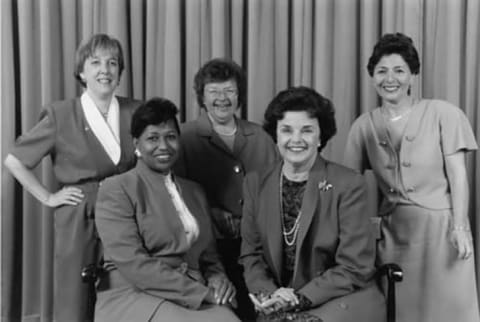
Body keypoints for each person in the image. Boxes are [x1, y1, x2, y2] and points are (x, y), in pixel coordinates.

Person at [3, 34, 141, 322]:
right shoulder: (61, 114)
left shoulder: (136, 112)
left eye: (112, 63)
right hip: (79, 213)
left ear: (120, 72)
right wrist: (49, 197)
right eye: (96, 63)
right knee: (73, 296)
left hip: (127, 212)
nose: (105, 70)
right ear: (81, 72)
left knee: (128, 290)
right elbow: (14, 160)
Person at [343, 32, 480, 322]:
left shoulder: (445, 113)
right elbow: (350, 188)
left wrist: (460, 226)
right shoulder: (363, 126)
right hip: (393, 237)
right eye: (381, 71)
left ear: (413, 75)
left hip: (444, 234)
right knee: (398, 312)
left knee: (449, 312)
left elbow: (458, 175)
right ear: (372, 77)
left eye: (399, 70)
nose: (389, 79)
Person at [240, 86, 385, 322]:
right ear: (275, 135)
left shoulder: (348, 184)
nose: (296, 139)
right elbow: (251, 255)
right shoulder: (255, 183)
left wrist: (299, 298)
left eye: (307, 130)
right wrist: (268, 293)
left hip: (339, 298)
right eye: (286, 130)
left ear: (320, 137)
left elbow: (354, 266)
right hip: (278, 299)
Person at [94, 97, 240, 322]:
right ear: (136, 144)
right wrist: (203, 294)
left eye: (171, 137)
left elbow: (209, 254)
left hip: (192, 291)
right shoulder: (117, 189)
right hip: (135, 295)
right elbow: (134, 264)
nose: (163, 146)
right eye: (152, 138)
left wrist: (217, 278)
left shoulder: (194, 191)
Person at [174, 58, 279, 320]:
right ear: (202, 97)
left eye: (229, 91)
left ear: (239, 95)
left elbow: (276, 192)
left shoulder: (262, 137)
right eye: (214, 91)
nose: (222, 98)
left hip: (257, 247)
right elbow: (175, 197)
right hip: (207, 251)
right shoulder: (184, 137)